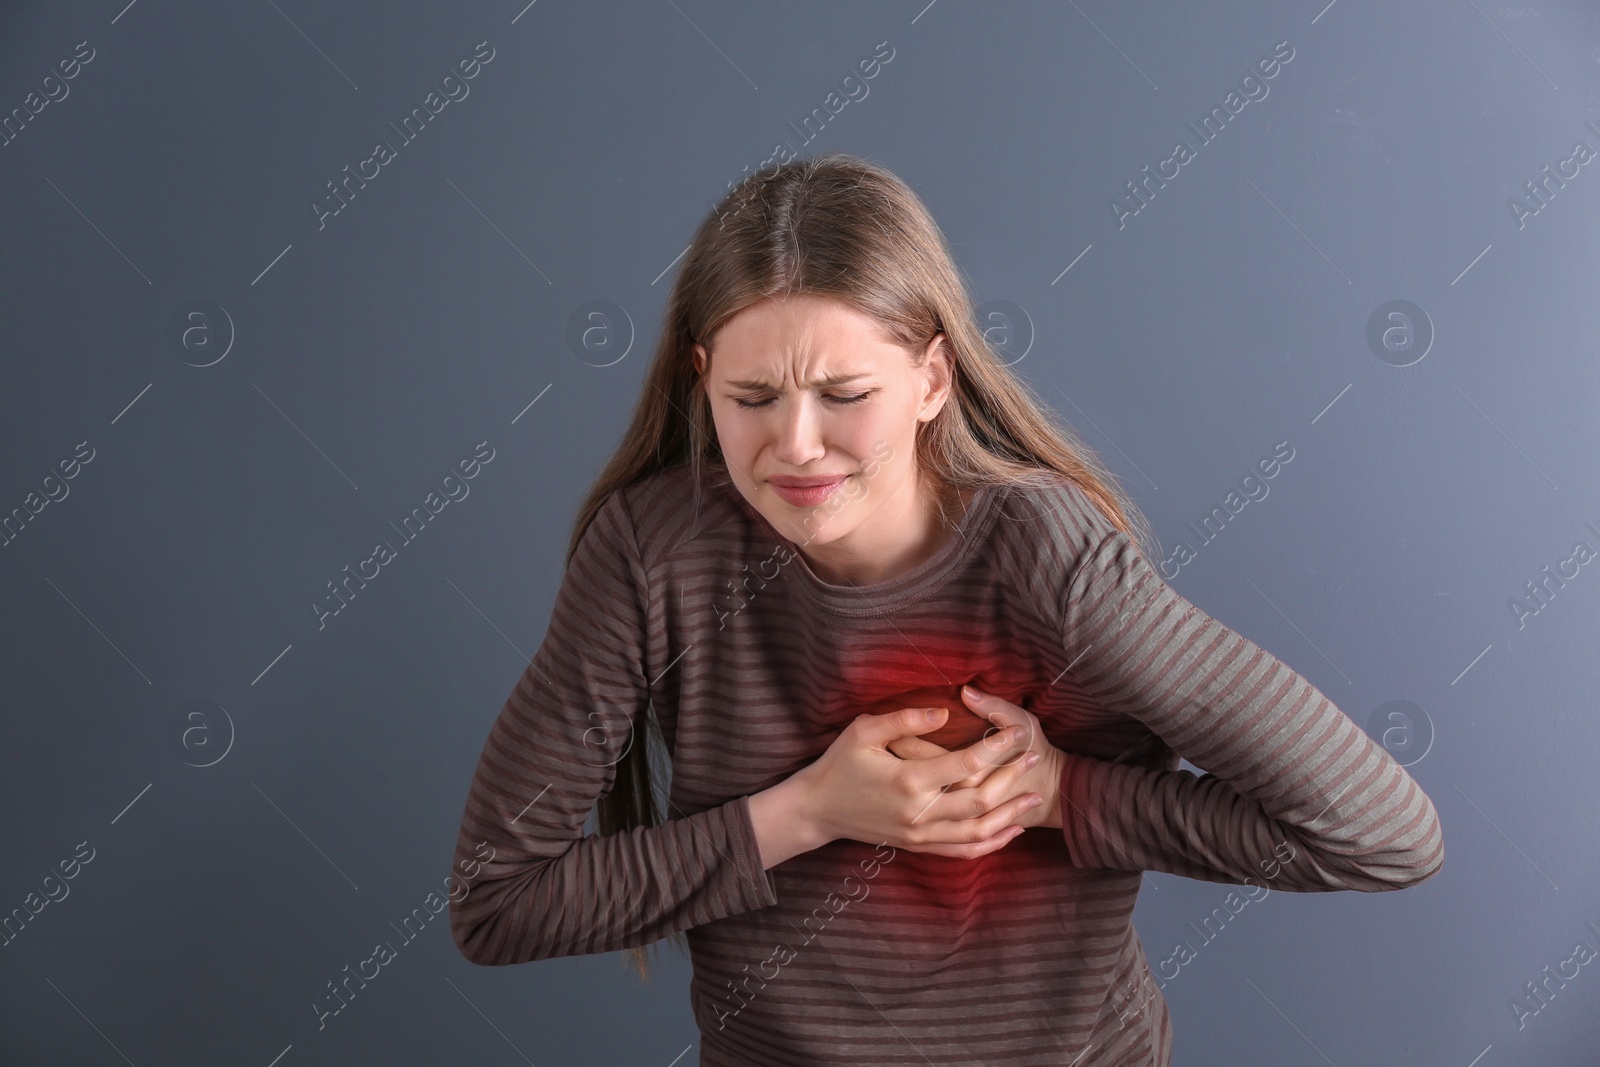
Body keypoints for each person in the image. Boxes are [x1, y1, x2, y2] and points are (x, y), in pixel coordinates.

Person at [447, 152, 1444, 1066]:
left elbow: (1382, 832)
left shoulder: (1048, 557)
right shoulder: (652, 551)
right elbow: (497, 902)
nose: (795, 445)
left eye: (845, 393)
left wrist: (1060, 795)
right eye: (752, 399)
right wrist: (807, 810)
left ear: (931, 376)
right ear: (701, 378)